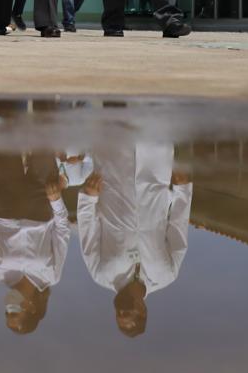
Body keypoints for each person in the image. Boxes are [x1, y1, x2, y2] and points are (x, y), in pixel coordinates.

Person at [77, 135, 192, 338]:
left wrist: (87, 199)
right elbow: (178, 227)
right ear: (142, 311)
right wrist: (183, 191)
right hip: (154, 174)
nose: (121, 310)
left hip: (113, 175)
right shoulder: (167, 274)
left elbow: (88, 232)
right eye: (127, 314)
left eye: (118, 315)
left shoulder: (101, 274)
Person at [0, 148, 69, 336]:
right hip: (41, 203)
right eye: (14, 312)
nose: (9, 308)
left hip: (6, 203)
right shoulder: (51, 276)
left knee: (5, 136)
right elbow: (62, 233)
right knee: (43, 141)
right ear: (31, 308)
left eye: (7, 312)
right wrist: (56, 202)